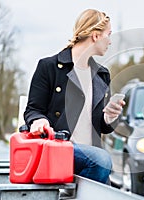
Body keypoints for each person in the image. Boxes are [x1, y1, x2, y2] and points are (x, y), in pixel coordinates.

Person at [24, 9, 124, 184]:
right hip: (56, 150)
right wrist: (38, 121)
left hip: (91, 158)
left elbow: (102, 126)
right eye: (108, 34)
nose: (110, 41)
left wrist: (109, 117)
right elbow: (33, 110)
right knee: (102, 160)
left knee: (101, 162)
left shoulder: (102, 74)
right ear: (95, 36)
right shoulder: (49, 67)